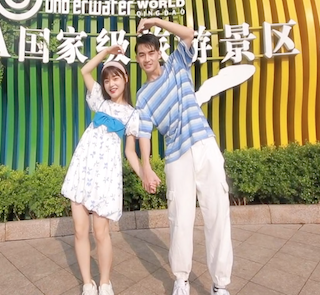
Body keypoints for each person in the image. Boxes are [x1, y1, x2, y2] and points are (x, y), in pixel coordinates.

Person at [134, 18, 233, 295]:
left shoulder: (177, 64)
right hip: (176, 157)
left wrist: (154, 21)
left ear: (158, 53)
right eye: (141, 55)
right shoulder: (143, 96)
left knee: (218, 213)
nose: (147, 59)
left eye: (151, 52)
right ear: (137, 60)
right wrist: (146, 167)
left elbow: (188, 34)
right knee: (180, 218)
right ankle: (181, 279)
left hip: (204, 143)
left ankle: (220, 284)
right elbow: (144, 133)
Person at [61, 45, 143, 295]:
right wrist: (106, 52)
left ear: (125, 78)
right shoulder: (99, 100)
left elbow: (130, 152)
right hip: (83, 169)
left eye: (115, 77)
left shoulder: (132, 115)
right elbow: (85, 70)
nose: (111, 84)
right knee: (79, 230)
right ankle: (88, 283)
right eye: (107, 79)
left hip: (106, 177)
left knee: (100, 232)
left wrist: (144, 174)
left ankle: (105, 282)